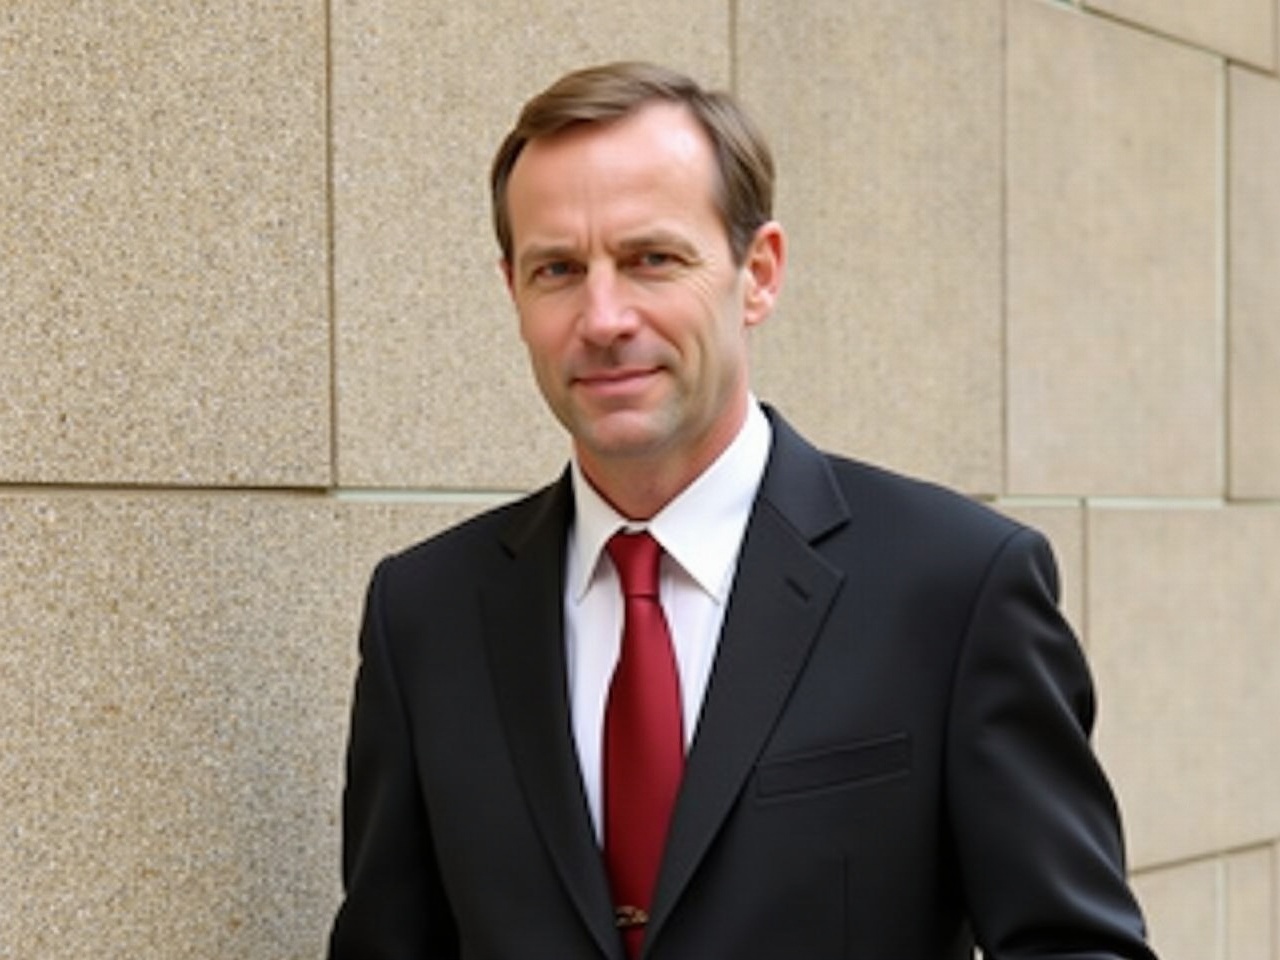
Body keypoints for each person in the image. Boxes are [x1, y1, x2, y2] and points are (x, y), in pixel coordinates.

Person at [327, 61, 1157, 959]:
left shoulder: (955, 587)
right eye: (558, 269)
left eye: (652, 259)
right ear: (514, 294)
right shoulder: (424, 615)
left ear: (757, 274)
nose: (603, 317)